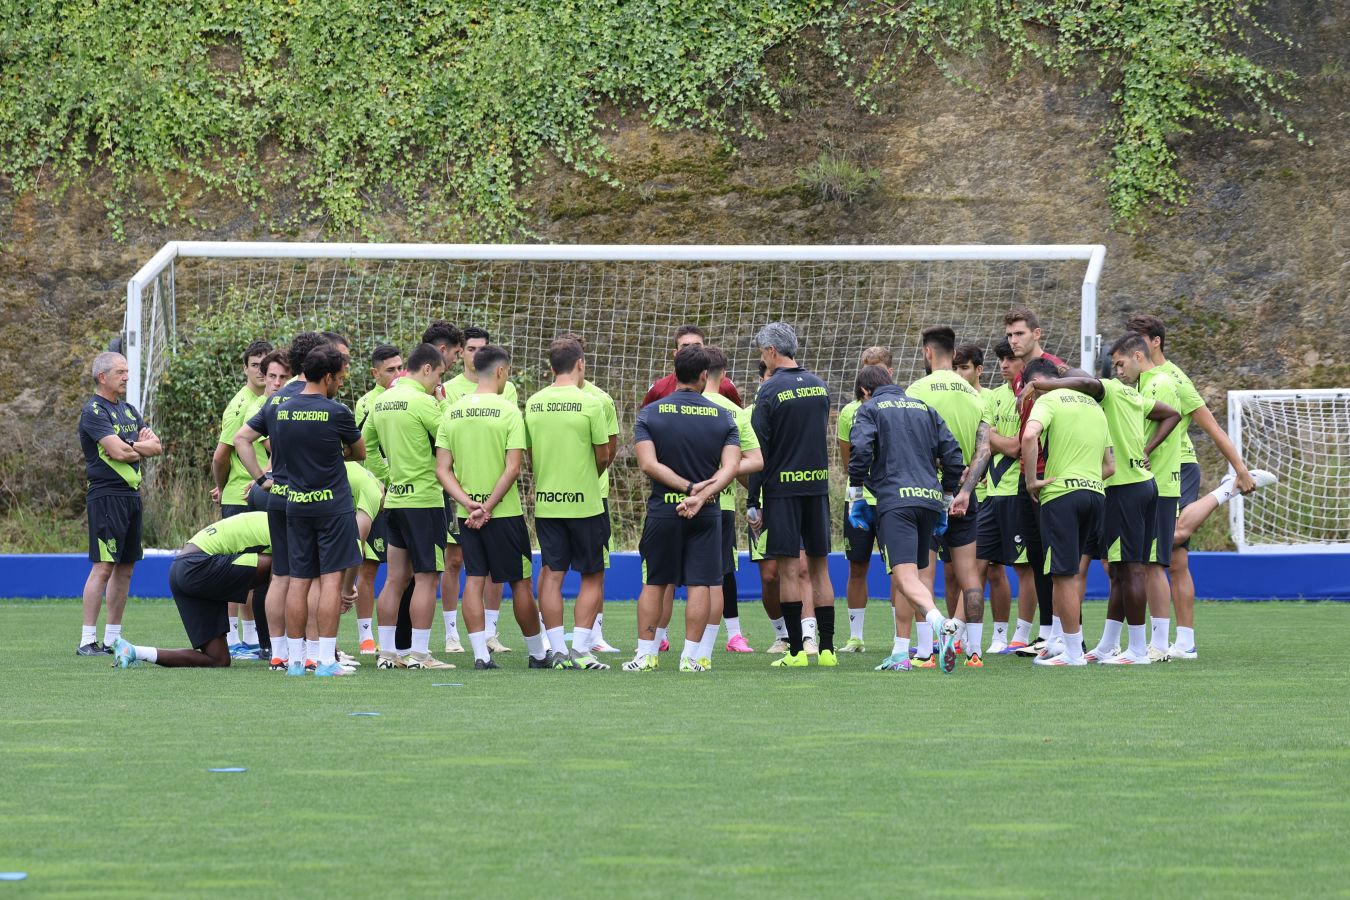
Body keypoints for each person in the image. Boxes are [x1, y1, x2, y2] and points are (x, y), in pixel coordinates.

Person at [1126, 314, 1275, 659]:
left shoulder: (1175, 379)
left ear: (1155, 341)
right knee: (1172, 560)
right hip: (1150, 470)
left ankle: (1227, 490)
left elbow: (1211, 427)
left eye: (1138, 338)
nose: (1132, 346)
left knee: (1172, 538)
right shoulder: (1138, 377)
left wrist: (1240, 470)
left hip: (1179, 466)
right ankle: (1185, 643)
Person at [1024, 358, 1181, 665]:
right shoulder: (1111, 403)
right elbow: (1169, 414)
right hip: (1118, 487)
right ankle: (1108, 645)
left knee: (1092, 571)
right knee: (1119, 570)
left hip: (1117, 488)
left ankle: (1129, 650)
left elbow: (1031, 435)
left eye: (1121, 363)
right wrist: (1143, 452)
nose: (1119, 370)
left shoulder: (1102, 392)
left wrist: (1032, 480)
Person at [624, 346, 742, 672]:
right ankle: (691, 658)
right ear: (705, 376)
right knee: (701, 583)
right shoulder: (724, 417)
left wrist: (687, 489)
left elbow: (648, 464)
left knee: (655, 583)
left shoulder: (650, 414)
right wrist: (701, 494)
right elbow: (731, 467)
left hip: (664, 509)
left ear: (674, 373)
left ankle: (646, 655)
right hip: (707, 512)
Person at [435, 344, 549, 670]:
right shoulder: (509, 411)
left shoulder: (453, 412)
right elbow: (513, 467)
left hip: (466, 515)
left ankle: (480, 656)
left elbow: (442, 469)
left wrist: (467, 502)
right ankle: (538, 654)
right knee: (520, 582)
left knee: (474, 579)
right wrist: (488, 506)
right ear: (501, 372)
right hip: (504, 513)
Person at [844, 366, 965, 673]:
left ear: (865, 392)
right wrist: (947, 496)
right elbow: (953, 455)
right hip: (929, 500)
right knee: (918, 576)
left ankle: (940, 624)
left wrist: (857, 491)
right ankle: (904, 653)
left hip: (896, 502)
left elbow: (860, 449)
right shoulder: (924, 407)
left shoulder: (869, 409)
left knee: (904, 577)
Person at [234, 331, 336, 671]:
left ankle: (279, 653)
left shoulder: (276, 399)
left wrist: (264, 480)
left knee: (281, 575)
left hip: (277, 495)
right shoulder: (318, 399)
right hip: (309, 497)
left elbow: (242, 439)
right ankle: (313, 655)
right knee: (314, 579)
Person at [268, 345, 364, 677]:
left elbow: (274, 451)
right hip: (332, 506)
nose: (340, 384)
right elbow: (359, 451)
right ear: (327, 377)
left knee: (298, 581)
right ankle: (324, 661)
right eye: (339, 378)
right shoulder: (337, 412)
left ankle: (295, 661)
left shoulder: (281, 410)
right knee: (329, 581)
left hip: (296, 504)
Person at [748, 322, 836, 668]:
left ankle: (797, 652)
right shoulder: (819, 386)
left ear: (771, 352)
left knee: (787, 572)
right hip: (816, 488)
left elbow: (760, 453)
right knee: (820, 570)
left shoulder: (767, 392)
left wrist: (753, 502)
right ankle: (827, 650)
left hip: (782, 491)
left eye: (761, 352)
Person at [525, 338, 613, 667]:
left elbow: (530, 454)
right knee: (592, 575)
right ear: (580, 364)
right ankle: (581, 649)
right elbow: (603, 456)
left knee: (551, 573)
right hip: (586, 504)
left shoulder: (533, 403)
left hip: (548, 503)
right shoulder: (590, 402)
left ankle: (558, 650)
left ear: (551, 368)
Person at [1020, 357, 1114, 666]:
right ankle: (1068, 645)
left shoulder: (1049, 401)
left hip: (1061, 495)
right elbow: (1109, 466)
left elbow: (1030, 435)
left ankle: (1072, 652)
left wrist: (1032, 480)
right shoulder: (1096, 407)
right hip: (1095, 495)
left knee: (1063, 575)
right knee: (1071, 571)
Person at [367, 342, 453, 670]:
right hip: (425, 500)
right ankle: (419, 655)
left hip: (396, 500)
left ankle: (388, 653)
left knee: (395, 578)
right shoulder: (424, 402)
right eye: (440, 374)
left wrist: (388, 478)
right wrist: (443, 405)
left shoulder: (382, 400)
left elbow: (368, 447)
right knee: (427, 577)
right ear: (427, 368)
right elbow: (451, 437)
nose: (439, 383)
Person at [909, 326, 987, 667]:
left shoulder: (916, 390)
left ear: (928, 352)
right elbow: (983, 451)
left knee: (923, 573)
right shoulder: (974, 395)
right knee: (970, 574)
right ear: (955, 355)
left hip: (925, 493)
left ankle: (926, 651)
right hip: (964, 496)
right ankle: (974, 651)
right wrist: (965, 492)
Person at [439, 326, 520, 655]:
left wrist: (478, 504)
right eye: (469, 349)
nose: (475, 355)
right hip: (468, 497)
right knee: (455, 562)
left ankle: (488, 635)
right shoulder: (448, 391)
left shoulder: (508, 392)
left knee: (490, 572)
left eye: (480, 349)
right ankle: (451, 633)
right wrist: (480, 504)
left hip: (474, 501)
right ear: (461, 353)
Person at [78, 351, 162, 655]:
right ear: (103, 377)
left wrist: (132, 447)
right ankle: (88, 639)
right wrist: (139, 447)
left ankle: (113, 637)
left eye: (127, 371)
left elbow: (157, 446)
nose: (127, 377)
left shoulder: (128, 410)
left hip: (131, 496)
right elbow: (120, 453)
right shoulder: (94, 412)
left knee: (125, 567)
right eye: (121, 372)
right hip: (106, 496)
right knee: (104, 565)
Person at [113, 511, 272, 670]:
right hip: (197, 566)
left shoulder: (273, 518)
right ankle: (281, 652)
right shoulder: (282, 527)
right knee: (279, 569)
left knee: (218, 659)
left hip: (181, 570)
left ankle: (134, 651)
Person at [1005, 307, 1068, 653]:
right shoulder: (1019, 376)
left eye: (1019, 334)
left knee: (1055, 556)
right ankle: (1047, 633)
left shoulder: (1058, 370)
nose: (1014, 341)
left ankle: (1067, 634)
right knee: (1035, 556)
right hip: (1026, 473)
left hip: (1052, 474)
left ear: (1037, 334)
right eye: (1010, 335)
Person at [557, 332, 624, 655]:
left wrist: (587, 477)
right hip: (558, 498)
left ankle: (594, 634)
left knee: (596, 566)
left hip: (595, 497)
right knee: (554, 568)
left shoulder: (601, 400)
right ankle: (551, 636)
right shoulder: (546, 399)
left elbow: (608, 451)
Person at [696, 346, 763, 656]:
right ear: (723, 375)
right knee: (719, 574)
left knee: (667, 574)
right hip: (719, 506)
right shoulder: (734, 411)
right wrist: (726, 472)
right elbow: (755, 460)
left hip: (678, 500)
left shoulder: (675, 405)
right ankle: (719, 641)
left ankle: (656, 641)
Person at [972, 340, 1036, 653]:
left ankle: (1021, 634)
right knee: (982, 564)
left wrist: (992, 437)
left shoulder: (1034, 396)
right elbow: (985, 444)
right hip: (991, 495)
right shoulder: (994, 397)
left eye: (1009, 359)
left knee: (1024, 567)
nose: (1004, 365)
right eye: (1000, 360)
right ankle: (994, 636)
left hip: (1019, 491)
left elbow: (1016, 446)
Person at [210, 338, 273, 657]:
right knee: (239, 568)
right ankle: (232, 638)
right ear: (245, 368)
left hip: (257, 494)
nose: (262, 372)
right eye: (255, 366)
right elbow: (222, 455)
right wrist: (223, 487)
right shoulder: (242, 406)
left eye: (267, 366)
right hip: (241, 495)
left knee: (256, 570)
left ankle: (249, 637)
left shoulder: (262, 400)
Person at [953, 342, 1014, 652]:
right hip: (957, 493)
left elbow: (990, 445)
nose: (960, 374)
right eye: (956, 368)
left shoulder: (991, 399)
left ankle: (1001, 635)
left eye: (965, 368)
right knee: (957, 569)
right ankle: (957, 634)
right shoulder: (951, 398)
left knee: (993, 567)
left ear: (978, 370)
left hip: (989, 492)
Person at [835, 346, 894, 653]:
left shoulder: (901, 405)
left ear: (889, 372)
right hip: (858, 498)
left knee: (899, 568)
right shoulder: (848, 412)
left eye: (876, 367)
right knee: (856, 566)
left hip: (891, 499)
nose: (867, 373)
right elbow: (848, 463)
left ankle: (902, 638)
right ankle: (855, 637)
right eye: (865, 367)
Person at [352, 344, 402, 654]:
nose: (398, 374)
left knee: (402, 569)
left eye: (400, 368)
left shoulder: (411, 396)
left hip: (405, 495)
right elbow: (367, 451)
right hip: (378, 495)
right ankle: (365, 635)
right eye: (390, 370)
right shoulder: (367, 403)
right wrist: (383, 485)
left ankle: (396, 636)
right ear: (375, 373)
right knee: (369, 566)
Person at [641, 324, 743, 407]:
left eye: (696, 346)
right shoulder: (659, 389)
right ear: (675, 353)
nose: (691, 350)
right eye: (685, 346)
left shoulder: (726, 386)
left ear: (705, 350)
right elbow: (643, 422)